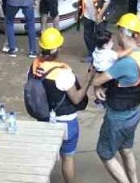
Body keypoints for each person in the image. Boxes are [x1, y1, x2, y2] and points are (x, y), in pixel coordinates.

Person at [90, 13, 140, 183]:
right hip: (134, 112)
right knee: (126, 150)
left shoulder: (125, 64)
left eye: (118, 30)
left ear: (123, 33)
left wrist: (96, 85)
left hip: (118, 117)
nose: (116, 34)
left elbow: (96, 79)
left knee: (105, 154)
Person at [30, 28, 89, 183]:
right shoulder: (63, 73)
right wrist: (89, 81)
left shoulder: (34, 67)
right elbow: (76, 99)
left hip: (43, 119)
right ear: (58, 49)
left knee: (44, 158)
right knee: (67, 158)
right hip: (66, 122)